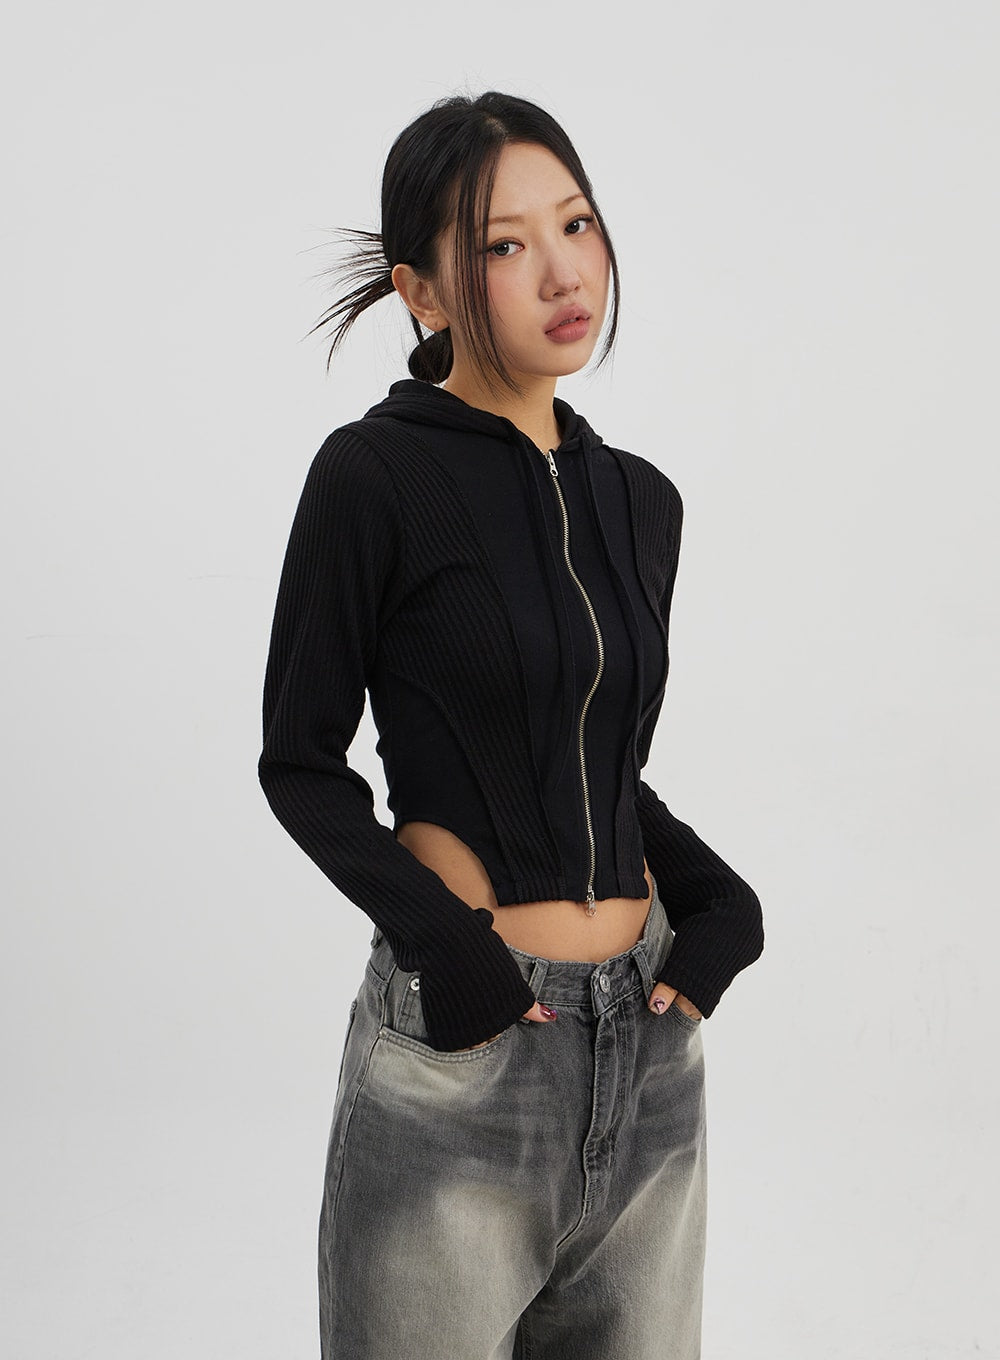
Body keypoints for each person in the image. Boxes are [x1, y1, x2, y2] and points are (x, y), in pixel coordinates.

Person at [257, 90, 765, 1360]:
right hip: (465, 1054)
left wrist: (720, 902)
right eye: (502, 243)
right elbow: (301, 764)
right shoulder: (372, 477)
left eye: (576, 224)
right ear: (421, 291)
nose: (561, 270)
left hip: (651, 1053)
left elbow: (601, 761)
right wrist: (449, 947)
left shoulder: (641, 502)